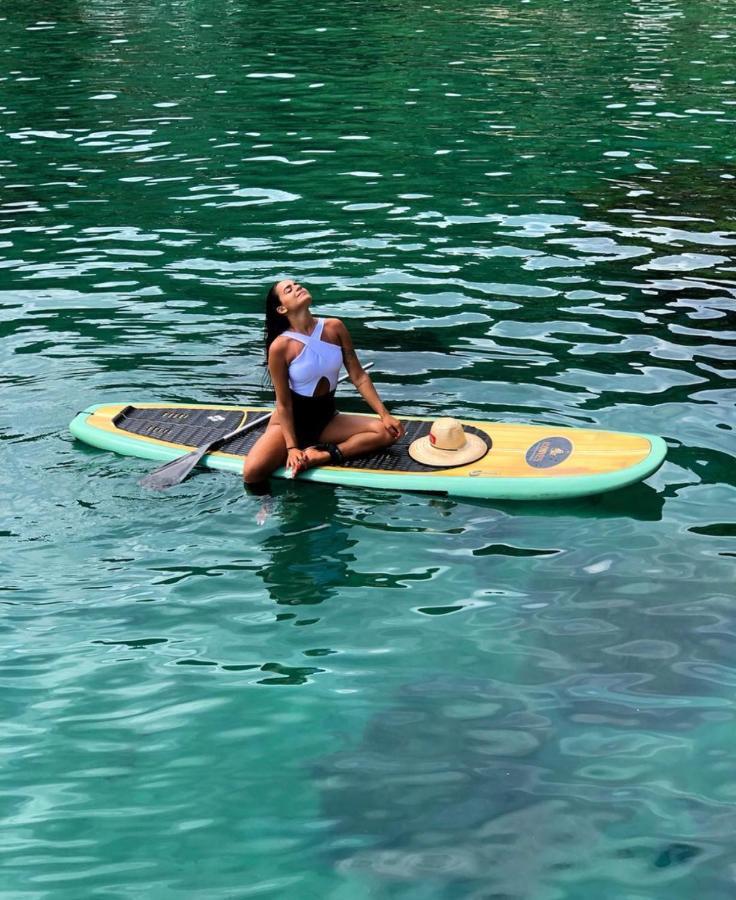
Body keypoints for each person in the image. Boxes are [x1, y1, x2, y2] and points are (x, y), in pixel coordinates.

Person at [243, 279, 403, 492]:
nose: (297, 287)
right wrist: (291, 447)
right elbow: (283, 404)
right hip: (289, 424)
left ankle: (322, 455)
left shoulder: (335, 327)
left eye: (297, 284)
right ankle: (269, 500)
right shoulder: (280, 347)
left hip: (327, 419)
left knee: (386, 433)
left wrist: (384, 414)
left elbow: (359, 376)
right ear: (282, 308)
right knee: (252, 473)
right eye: (289, 289)